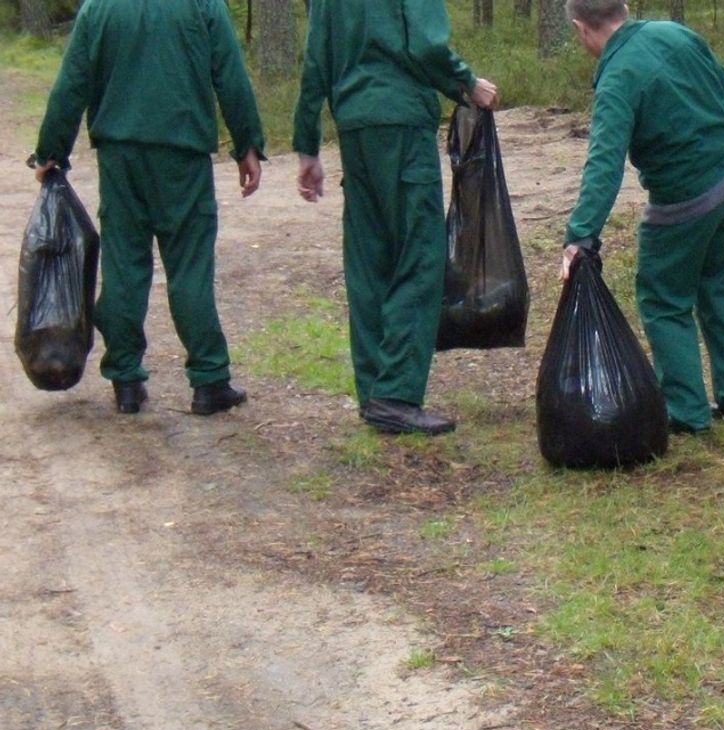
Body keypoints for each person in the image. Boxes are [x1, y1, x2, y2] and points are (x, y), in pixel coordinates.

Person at [32, 0, 264, 417]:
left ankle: (125, 380)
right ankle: (209, 381)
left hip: (120, 155)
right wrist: (246, 143)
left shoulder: (99, 8)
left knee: (124, 264)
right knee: (190, 266)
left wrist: (52, 149)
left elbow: (73, 81)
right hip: (183, 153)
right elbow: (229, 74)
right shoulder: (202, 5)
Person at [561, 0, 724, 435]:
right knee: (717, 287)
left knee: (664, 301)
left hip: (685, 201)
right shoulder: (676, 34)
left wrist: (581, 235)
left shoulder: (618, 77)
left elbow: (605, 162)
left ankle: (686, 414)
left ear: (581, 28)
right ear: (623, 8)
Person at [293, 0, 499, 437]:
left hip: (355, 128)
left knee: (369, 263)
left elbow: (315, 60)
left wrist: (307, 147)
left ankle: (374, 391)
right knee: (420, 257)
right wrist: (465, 83)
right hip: (401, 123)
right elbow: (426, 44)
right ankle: (395, 394)